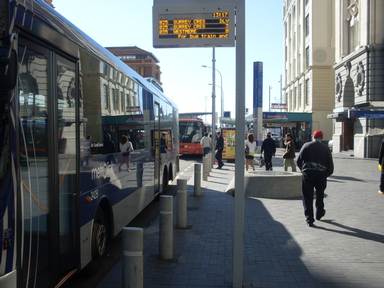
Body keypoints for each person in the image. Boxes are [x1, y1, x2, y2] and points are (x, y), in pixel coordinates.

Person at [297, 130, 334, 227]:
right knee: (320, 194)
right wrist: (326, 174)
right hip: (321, 175)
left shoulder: (306, 146)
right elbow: (330, 165)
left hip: (308, 173)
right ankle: (319, 213)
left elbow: (299, 160)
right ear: (321, 138)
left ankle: (309, 218)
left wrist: (302, 169)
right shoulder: (326, 148)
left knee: (307, 196)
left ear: (313, 137)